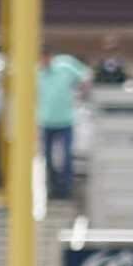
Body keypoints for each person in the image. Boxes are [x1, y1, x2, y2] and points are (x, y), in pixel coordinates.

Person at [36, 46, 91, 201]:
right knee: (47, 157)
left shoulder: (65, 65)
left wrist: (81, 93)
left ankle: (66, 189)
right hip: (46, 121)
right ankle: (52, 188)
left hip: (65, 120)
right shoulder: (36, 73)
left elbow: (85, 75)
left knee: (66, 156)